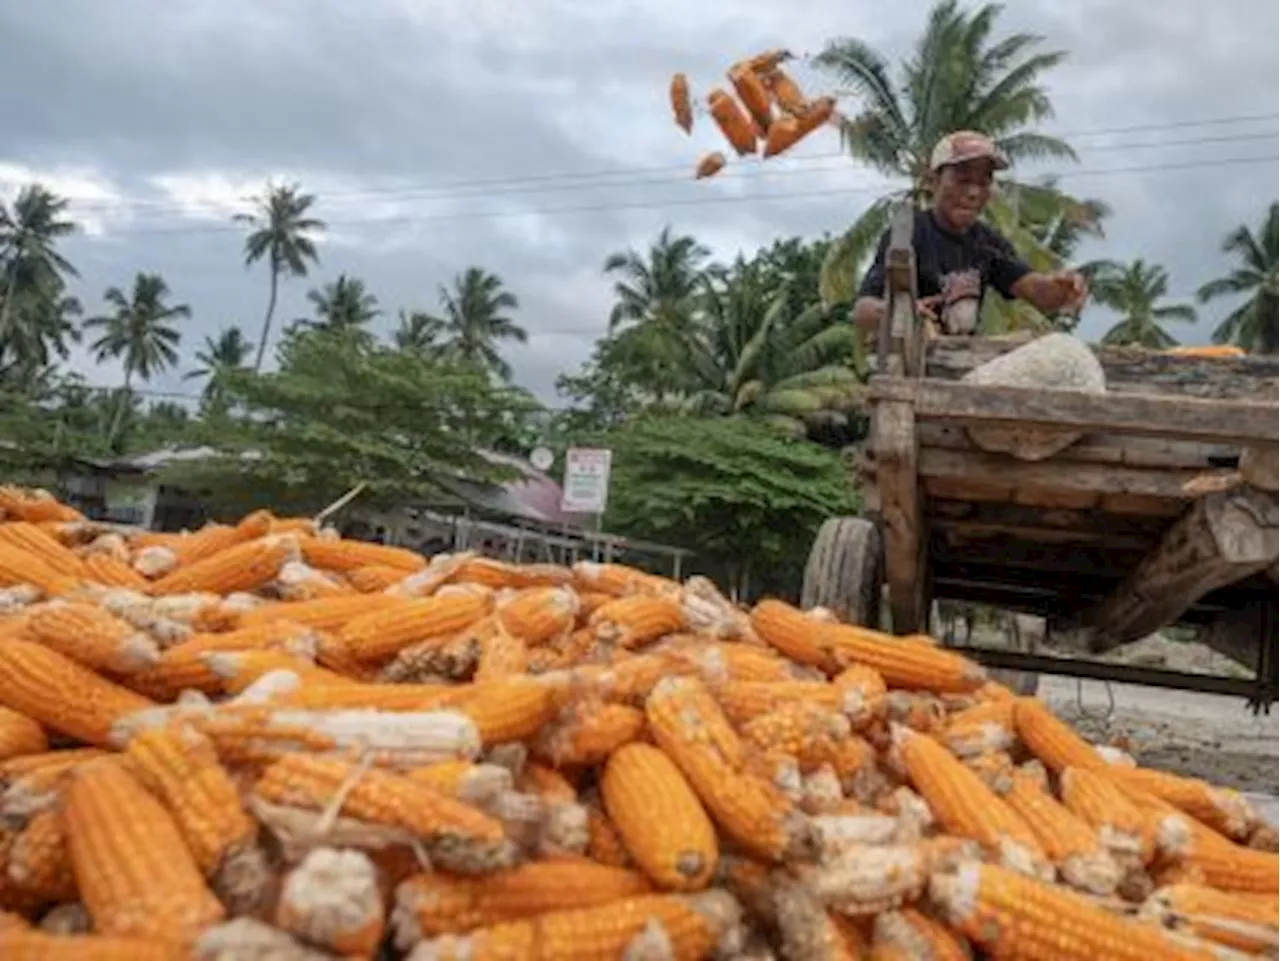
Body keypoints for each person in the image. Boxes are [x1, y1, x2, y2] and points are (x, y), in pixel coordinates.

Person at [851, 130, 1089, 342]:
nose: (973, 193)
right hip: (910, 367)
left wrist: (1061, 289)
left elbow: (1035, 292)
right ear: (933, 182)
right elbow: (863, 311)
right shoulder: (909, 233)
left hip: (960, 365)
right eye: (962, 181)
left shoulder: (986, 242)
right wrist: (900, 313)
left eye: (983, 183)